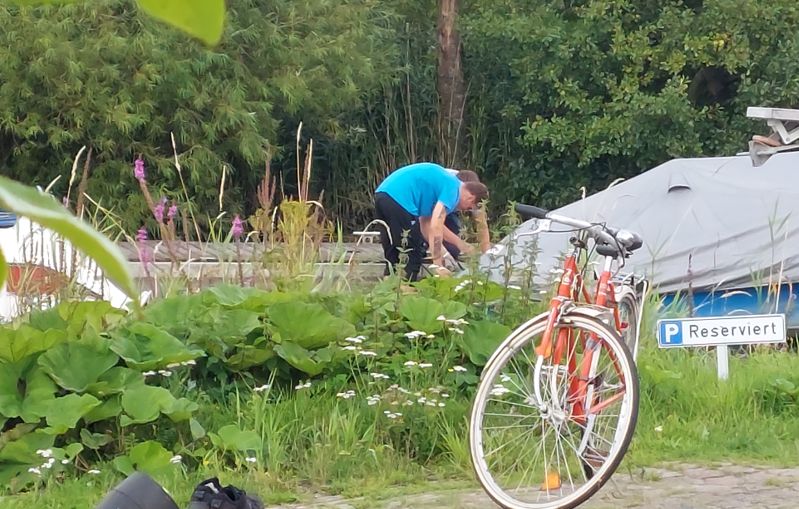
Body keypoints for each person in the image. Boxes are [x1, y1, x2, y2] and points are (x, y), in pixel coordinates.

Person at [374, 162, 489, 280]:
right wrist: (438, 265)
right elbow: (436, 225)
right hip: (401, 198)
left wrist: (445, 253)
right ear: (470, 198)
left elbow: (426, 224)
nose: (464, 210)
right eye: (469, 207)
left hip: (383, 193)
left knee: (394, 246)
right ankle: (406, 285)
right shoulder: (454, 191)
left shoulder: (446, 186)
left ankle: (389, 282)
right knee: (412, 250)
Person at [441, 169, 491, 264]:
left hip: (450, 209)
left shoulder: (474, 195)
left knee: (453, 249)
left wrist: (487, 256)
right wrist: (460, 244)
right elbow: (433, 223)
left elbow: (482, 226)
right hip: (428, 206)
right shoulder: (448, 188)